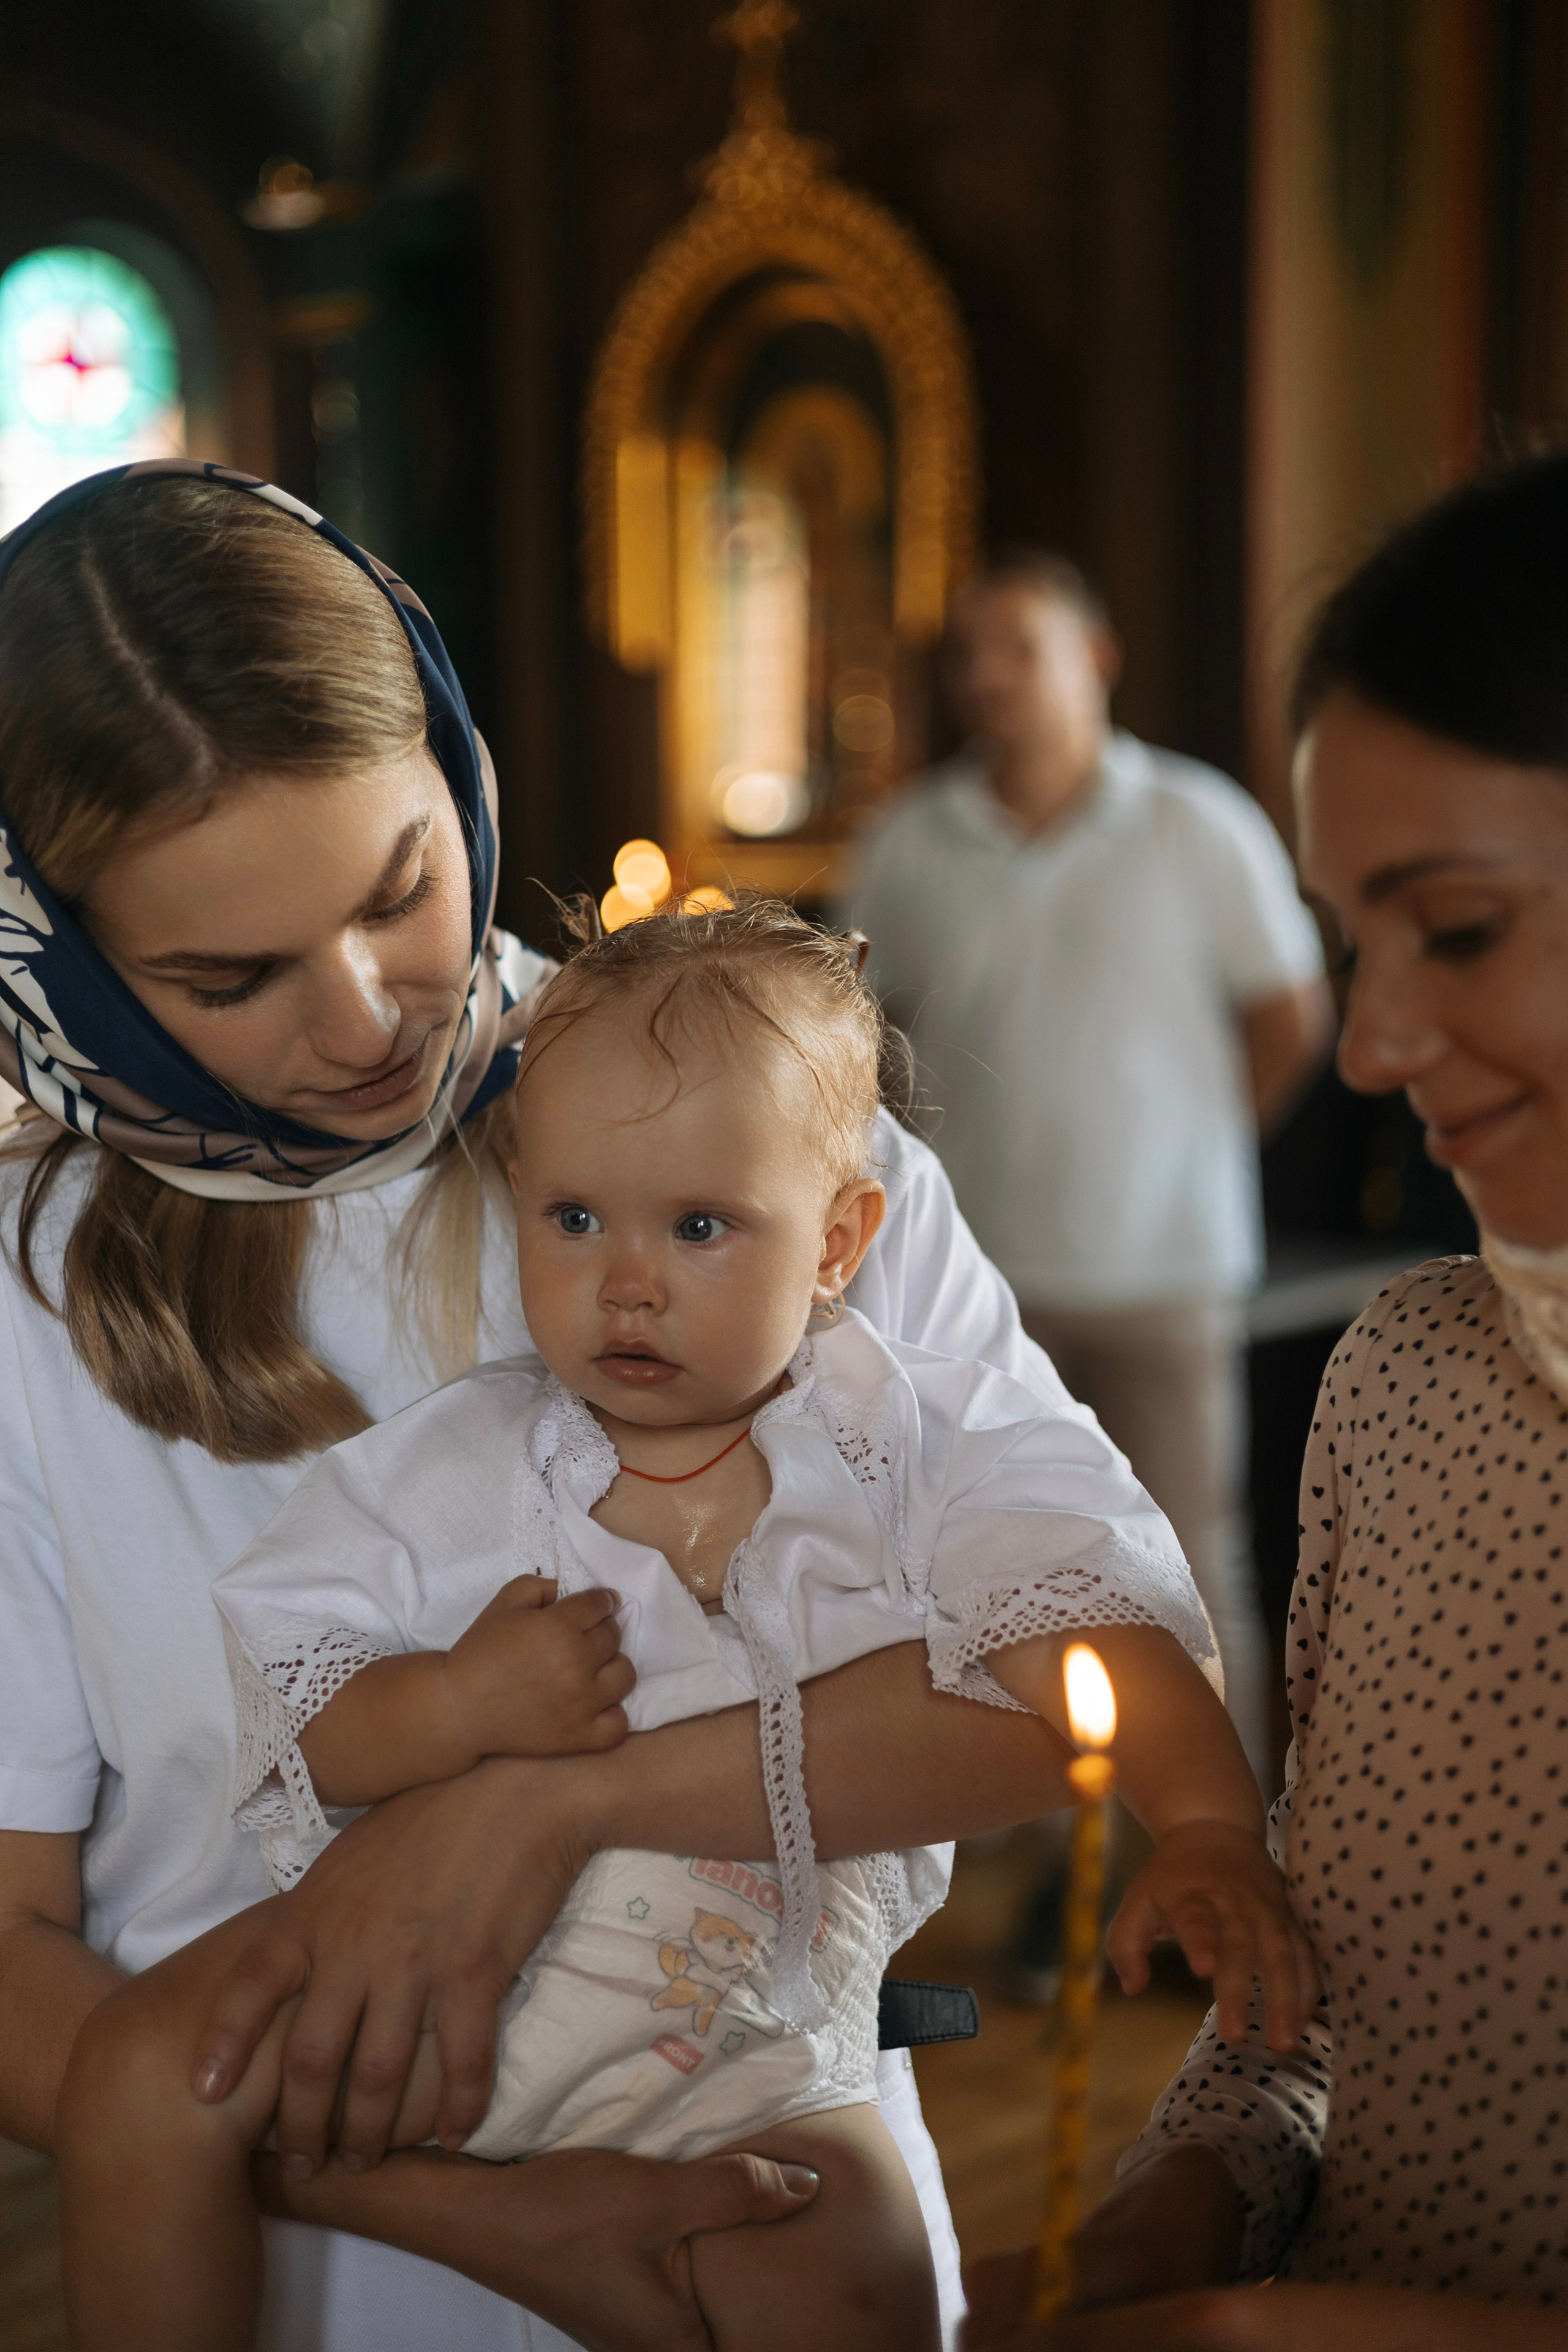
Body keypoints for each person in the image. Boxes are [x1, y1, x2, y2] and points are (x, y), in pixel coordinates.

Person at [0, 459, 1212, 2352]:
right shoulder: (23, 1287)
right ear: (63, 955)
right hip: (302, 2259)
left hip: (762, 2151)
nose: (363, 1018)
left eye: (402, 889)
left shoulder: (760, 1134)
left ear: (456, 760)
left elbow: (1042, 1678)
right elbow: (12, 1952)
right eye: (226, 976)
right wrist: (490, 2220)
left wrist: (536, 1813)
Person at [58, 899, 1314, 2352]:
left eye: (700, 1226)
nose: (625, 1280)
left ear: (840, 1240)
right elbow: (306, 1704)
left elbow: (1087, 1626)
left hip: (751, 2039)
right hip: (436, 1995)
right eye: (574, 1218)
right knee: (140, 2073)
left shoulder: (916, 1443)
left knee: (852, 2274)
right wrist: (454, 1708)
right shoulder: (460, 1464)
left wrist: (1206, 1823)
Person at [965, 451, 1568, 2348]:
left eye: (1457, 928)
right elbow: (1322, 2029)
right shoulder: (1408, 1387)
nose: (1377, 1042)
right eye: (1356, 938)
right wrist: (1189, 2206)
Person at [847, 552, 1333, 1786]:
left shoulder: (1196, 819)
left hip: (1161, 1266)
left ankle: (1215, 1857)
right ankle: (1025, 1878)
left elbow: (1289, 1022)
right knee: (995, 1577)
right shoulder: (910, 838)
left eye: (1020, 646)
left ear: (1094, 658)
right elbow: (861, 1042)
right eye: (969, 654)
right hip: (972, 1280)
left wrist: (1185, 1149)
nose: (989, 677)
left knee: (1191, 1560)